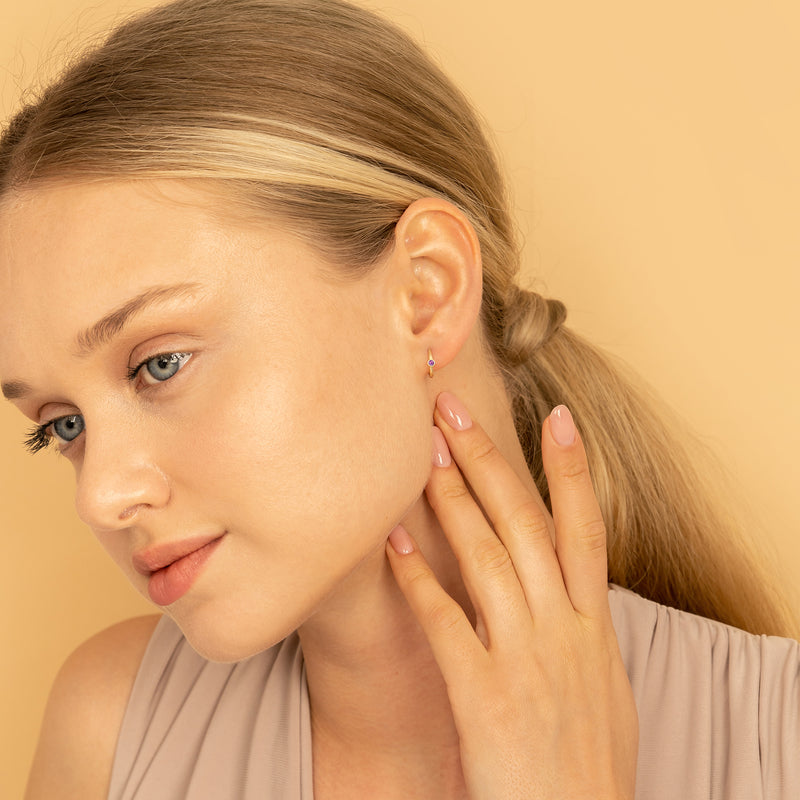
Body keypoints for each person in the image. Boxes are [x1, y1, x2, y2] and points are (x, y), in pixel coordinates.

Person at [0, 0, 797, 798]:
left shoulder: (778, 744)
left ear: (425, 291)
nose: (101, 496)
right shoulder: (109, 734)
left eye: (161, 364)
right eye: (62, 425)